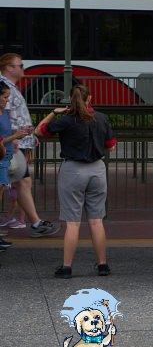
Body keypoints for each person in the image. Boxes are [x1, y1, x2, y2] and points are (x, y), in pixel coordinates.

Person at [35, 86, 117, 278]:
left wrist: (53, 113)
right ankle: (103, 265)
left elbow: (39, 131)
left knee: (73, 223)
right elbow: (111, 146)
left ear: (70, 99)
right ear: (91, 98)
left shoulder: (66, 120)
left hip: (73, 170)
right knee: (96, 221)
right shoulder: (102, 118)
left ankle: (67, 267)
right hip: (97, 169)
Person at [0, 53, 59, 237]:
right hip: (10, 145)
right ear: (9, 67)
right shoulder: (4, 88)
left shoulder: (9, 87)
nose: (23, 68)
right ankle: (35, 223)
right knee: (13, 183)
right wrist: (14, 140)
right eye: (20, 65)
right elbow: (4, 116)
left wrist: (28, 137)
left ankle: (36, 222)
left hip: (14, 143)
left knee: (22, 181)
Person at [0, 83, 30, 252]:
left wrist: (16, 139)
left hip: (6, 157)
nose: (7, 100)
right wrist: (14, 136)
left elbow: (5, 134)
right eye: (5, 97)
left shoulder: (4, 113)